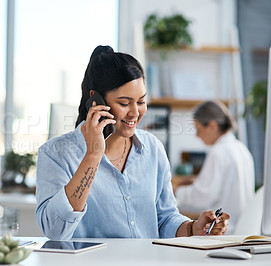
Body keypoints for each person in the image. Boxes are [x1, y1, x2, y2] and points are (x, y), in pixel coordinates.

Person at [35, 45, 230, 240]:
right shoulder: (56, 153)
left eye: (141, 101)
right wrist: (93, 155)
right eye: (124, 103)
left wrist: (193, 228)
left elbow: (164, 218)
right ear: (96, 100)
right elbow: (55, 231)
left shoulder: (152, 148)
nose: (135, 113)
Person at [174, 101, 255, 233]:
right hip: (244, 230)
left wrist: (177, 191)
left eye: (198, 129)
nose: (197, 135)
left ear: (212, 126)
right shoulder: (242, 149)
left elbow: (203, 196)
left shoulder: (218, 152)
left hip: (224, 232)